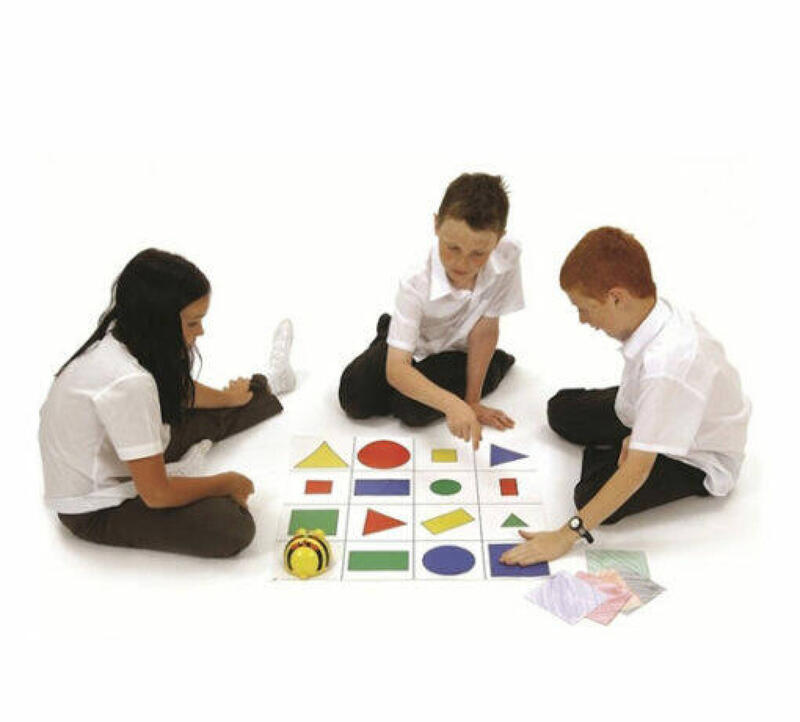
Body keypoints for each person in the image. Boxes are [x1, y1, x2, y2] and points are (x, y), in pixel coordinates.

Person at [502, 226, 751, 566]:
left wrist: (564, 535)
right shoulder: (655, 312)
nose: (582, 319)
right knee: (561, 410)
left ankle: (635, 443)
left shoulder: (667, 365)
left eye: (585, 308)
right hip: (653, 405)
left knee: (590, 498)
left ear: (617, 298)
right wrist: (638, 430)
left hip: (696, 455)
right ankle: (637, 437)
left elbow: (636, 472)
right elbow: (655, 392)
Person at [39, 248, 295, 557]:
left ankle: (269, 385)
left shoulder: (125, 332)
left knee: (218, 409)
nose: (201, 331)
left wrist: (231, 398)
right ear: (158, 322)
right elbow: (157, 494)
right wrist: (225, 483)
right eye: (193, 323)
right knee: (233, 527)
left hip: (121, 452)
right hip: (93, 509)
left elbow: (175, 392)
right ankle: (254, 403)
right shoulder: (130, 383)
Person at [338, 173, 524, 449]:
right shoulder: (416, 281)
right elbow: (396, 371)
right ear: (436, 224)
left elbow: (485, 329)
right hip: (418, 340)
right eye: (452, 247)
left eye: (478, 253)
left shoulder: (507, 256)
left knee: (411, 410)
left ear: (498, 240)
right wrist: (452, 404)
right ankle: (391, 334)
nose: (463, 263)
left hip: (456, 350)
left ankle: (498, 363)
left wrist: (471, 402)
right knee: (354, 397)